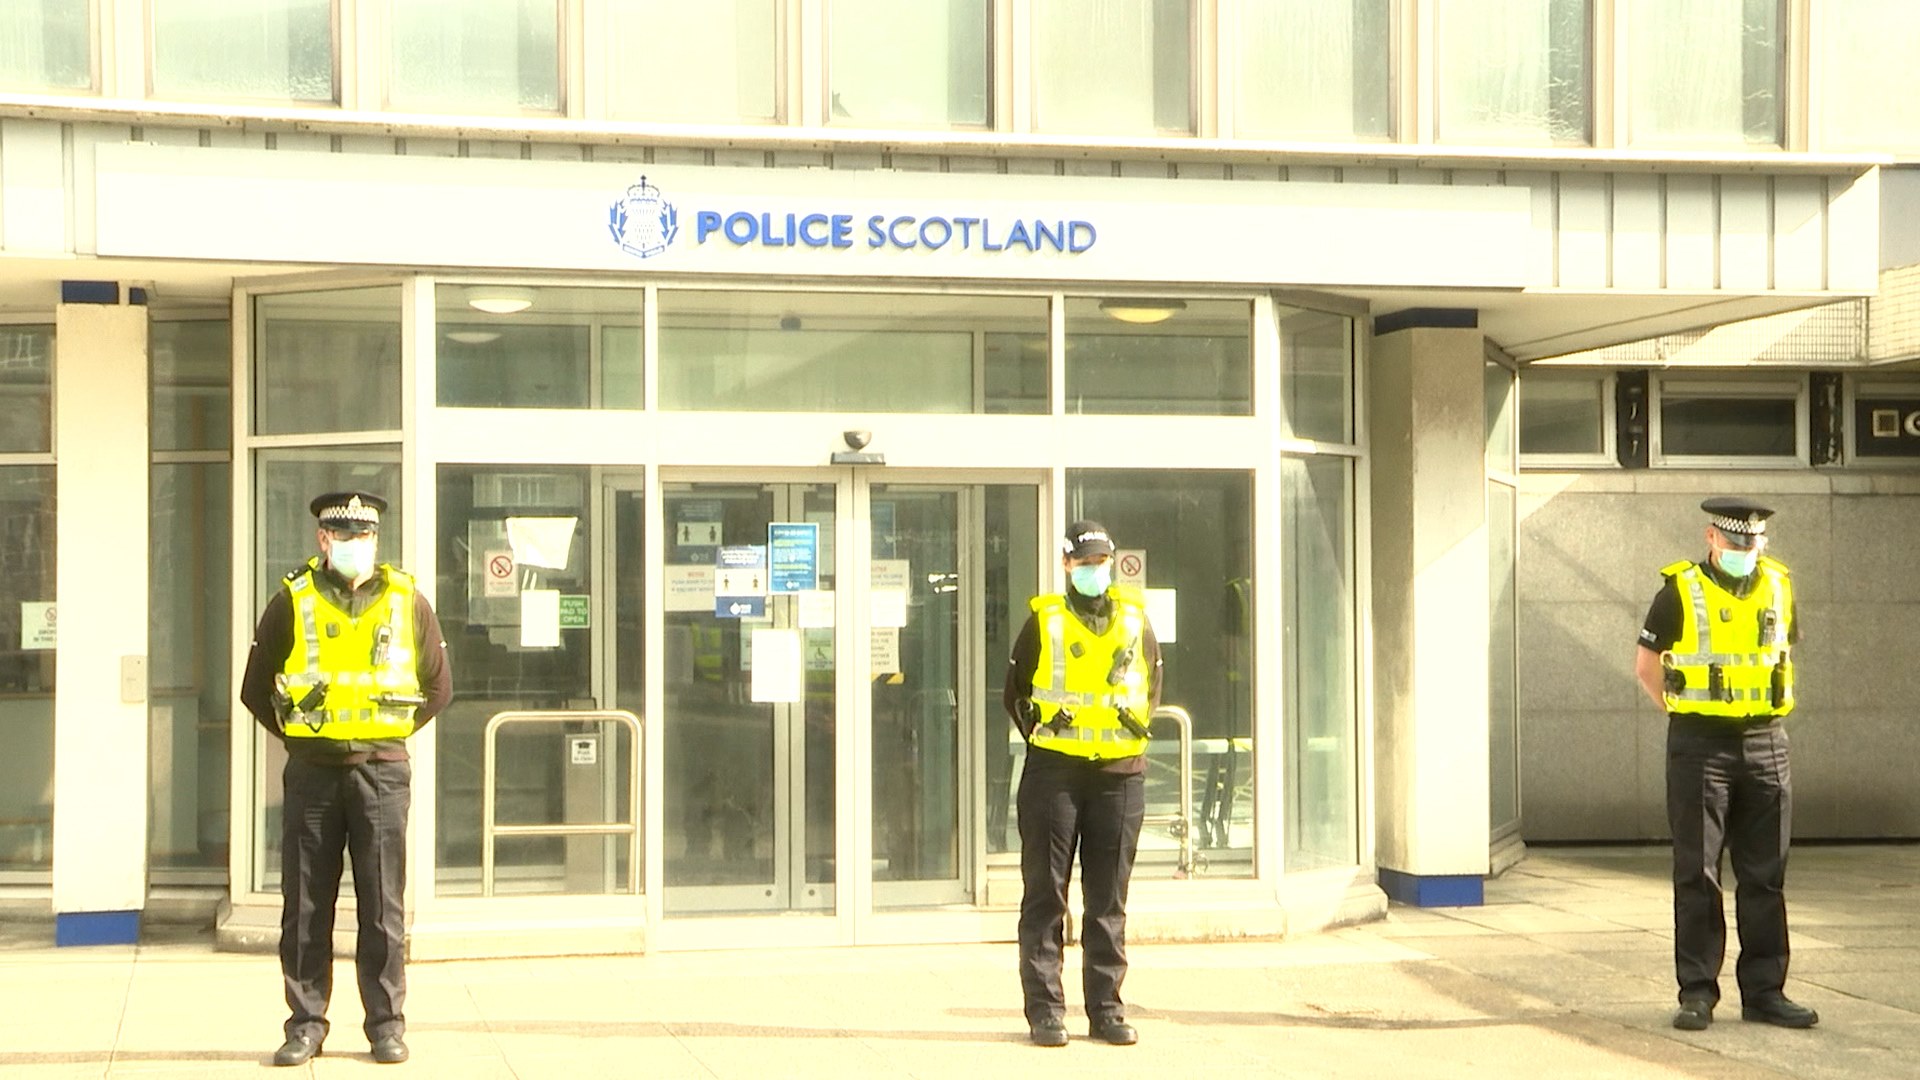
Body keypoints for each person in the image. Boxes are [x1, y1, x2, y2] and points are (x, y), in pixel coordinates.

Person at [241, 491, 452, 1066]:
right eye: (345, 536)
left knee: (382, 907)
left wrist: (387, 738)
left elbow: (438, 687)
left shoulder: (408, 600)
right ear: (323, 539)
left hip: (382, 776)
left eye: (365, 536)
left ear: (376, 540)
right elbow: (255, 690)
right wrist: (306, 738)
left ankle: (385, 1026)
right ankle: (305, 1025)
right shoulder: (293, 600)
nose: (356, 545)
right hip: (313, 775)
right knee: (306, 905)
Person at [1633, 497, 1817, 1032]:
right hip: (1700, 746)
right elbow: (1646, 667)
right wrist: (1687, 716)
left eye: (1753, 542)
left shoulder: (1780, 585)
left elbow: (1781, 653)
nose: (1745, 551)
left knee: (1765, 877)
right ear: (1712, 538)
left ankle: (1765, 992)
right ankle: (1697, 994)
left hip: (1765, 741)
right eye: (1735, 541)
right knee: (1699, 874)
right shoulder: (1679, 590)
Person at [1004, 521, 1162, 1047]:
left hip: (1119, 777)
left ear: (1111, 563)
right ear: (1067, 564)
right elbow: (1015, 692)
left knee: (1108, 901)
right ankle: (1046, 1012)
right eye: (1085, 562)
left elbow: (1152, 685)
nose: (1094, 571)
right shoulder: (1043, 620)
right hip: (1055, 775)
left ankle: (1107, 1010)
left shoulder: (1137, 620)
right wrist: (1041, 734)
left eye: (1102, 562)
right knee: (1047, 897)